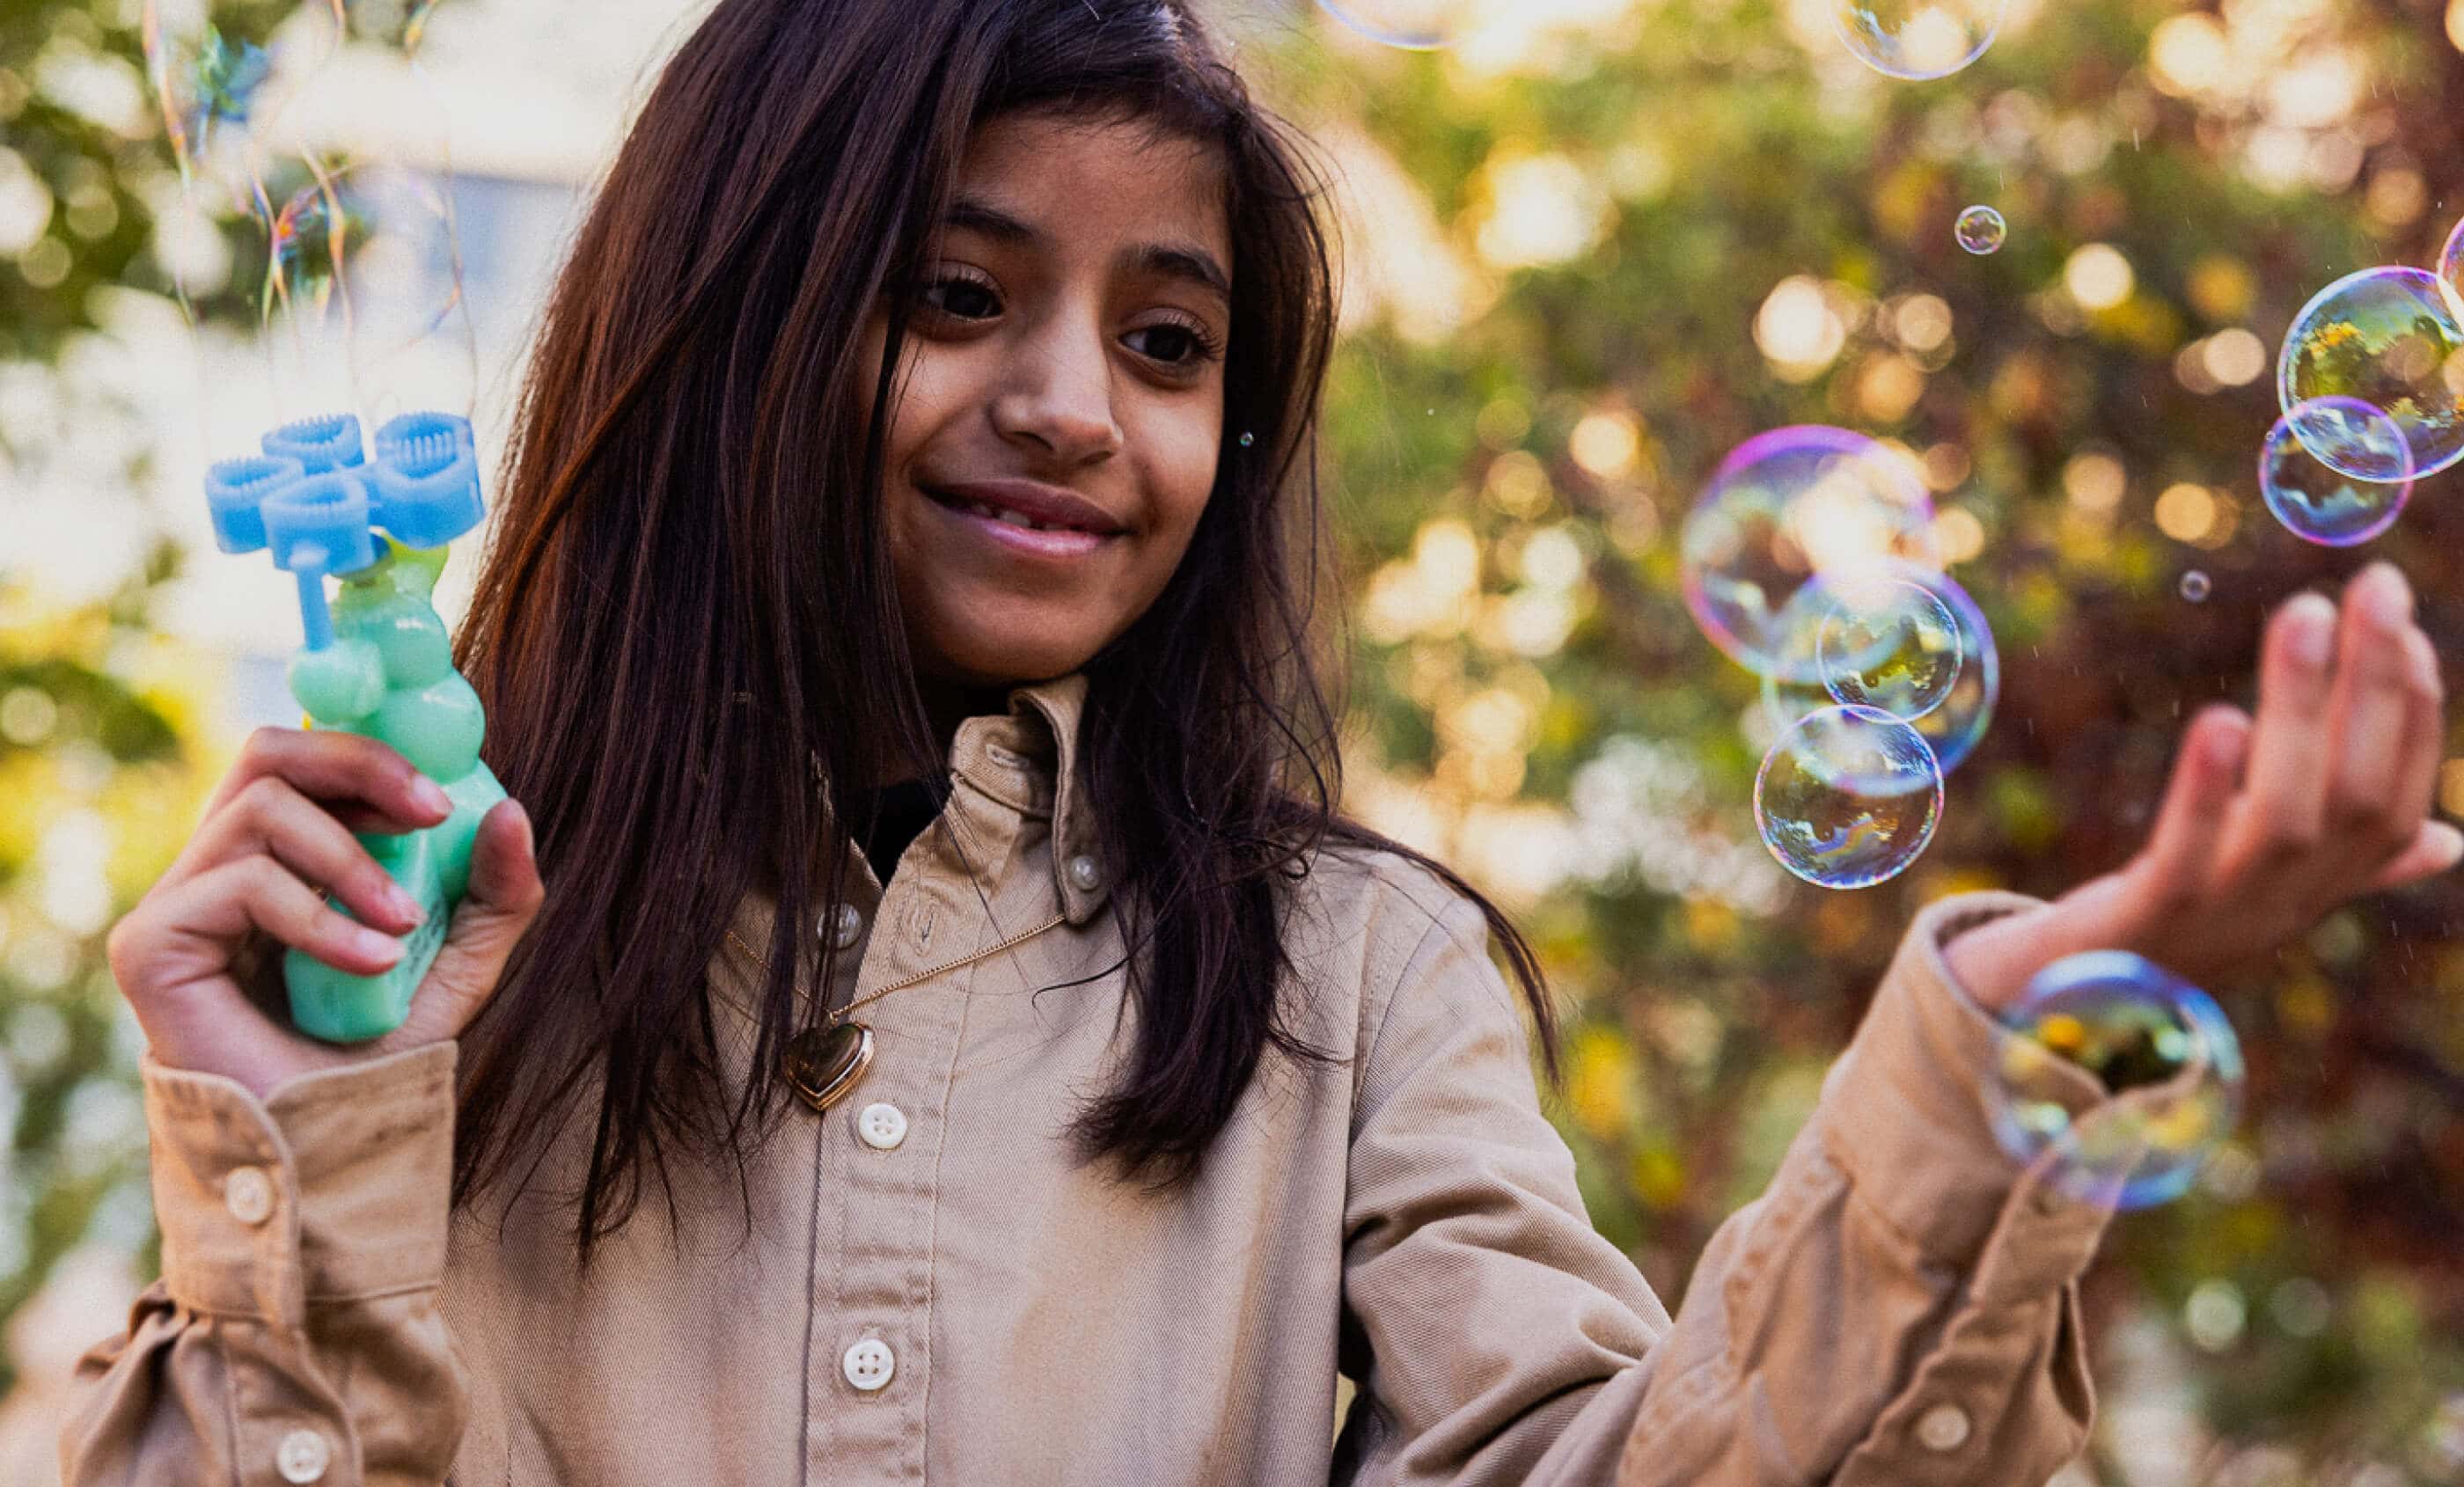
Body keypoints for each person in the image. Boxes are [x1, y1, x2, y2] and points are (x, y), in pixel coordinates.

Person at [63, 1, 2456, 1483]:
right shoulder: (411, 961)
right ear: (734, 315)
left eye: (1174, 340)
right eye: (961, 292)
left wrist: (2033, 1032)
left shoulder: (1348, 979)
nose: (1071, 407)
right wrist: (300, 1156)